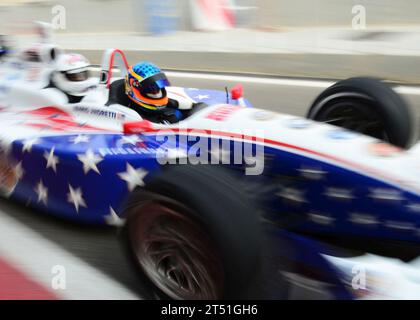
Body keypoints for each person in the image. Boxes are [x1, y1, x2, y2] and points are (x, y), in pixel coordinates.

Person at [108, 61, 192, 124]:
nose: (156, 93)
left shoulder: (174, 113)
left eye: (158, 87)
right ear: (134, 88)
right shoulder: (129, 117)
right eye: (150, 88)